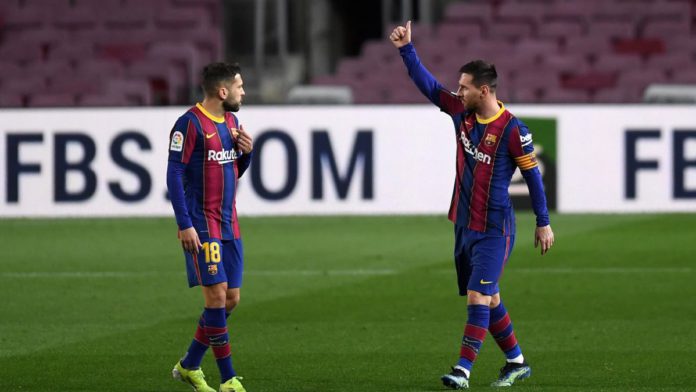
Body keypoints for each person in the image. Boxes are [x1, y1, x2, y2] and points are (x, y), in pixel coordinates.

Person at [390, 21, 555, 389]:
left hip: (496, 228)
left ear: (484, 90)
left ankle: (462, 370)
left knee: (479, 295)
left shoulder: (513, 129)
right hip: (464, 224)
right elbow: (429, 86)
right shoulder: (460, 112)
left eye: (464, 87)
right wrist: (407, 49)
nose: (458, 91)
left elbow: (533, 178)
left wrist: (542, 222)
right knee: (490, 297)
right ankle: (516, 362)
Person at [166, 62, 253, 392]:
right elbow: (173, 174)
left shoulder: (232, 122)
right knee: (216, 297)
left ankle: (189, 365)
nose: (243, 91)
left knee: (231, 299)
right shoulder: (188, 124)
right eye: (240, 86)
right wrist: (183, 223)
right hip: (202, 224)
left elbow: (233, 170)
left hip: (230, 222)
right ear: (222, 91)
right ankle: (228, 378)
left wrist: (246, 154)